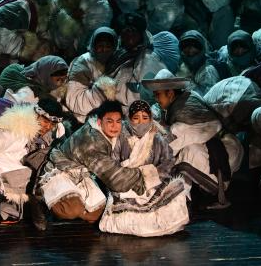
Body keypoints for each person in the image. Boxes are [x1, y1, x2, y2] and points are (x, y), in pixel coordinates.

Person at [40, 101, 153, 222]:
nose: (114, 126)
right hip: (60, 171)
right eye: (109, 121)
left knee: (96, 214)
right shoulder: (91, 142)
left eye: (118, 121)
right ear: (99, 122)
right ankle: (41, 200)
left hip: (81, 174)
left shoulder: (110, 130)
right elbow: (116, 179)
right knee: (72, 209)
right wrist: (142, 177)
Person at [144, 70, 242, 210]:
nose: (156, 99)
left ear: (170, 94)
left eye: (158, 95)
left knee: (183, 155)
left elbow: (175, 144)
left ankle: (183, 198)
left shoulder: (182, 115)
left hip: (226, 152)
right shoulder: (188, 97)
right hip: (222, 147)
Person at [0, 100, 66, 227]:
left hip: (18, 182)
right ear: (37, 114)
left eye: (52, 124)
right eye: (45, 121)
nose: (48, 127)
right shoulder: (17, 128)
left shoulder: (52, 137)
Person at [98, 100, 189, 237]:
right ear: (129, 119)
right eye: (136, 118)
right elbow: (113, 161)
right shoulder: (121, 137)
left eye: (145, 118)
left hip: (153, 183)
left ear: (150, 118)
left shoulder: (157, 137)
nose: (141, 123)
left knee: (175, 192)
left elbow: (168, 161)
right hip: (127, 182)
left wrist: (152, 176)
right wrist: (129, 175)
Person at [64, 27, 120, 123]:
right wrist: (101, 91)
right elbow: (74, 101)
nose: (104, 49)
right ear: (93, 45)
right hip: (84, 120)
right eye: (100, 45)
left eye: (108, 46)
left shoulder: (118, 61)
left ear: (114, 47)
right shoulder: (83, 62)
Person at [0, 55, 69, 104]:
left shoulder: (28, 73)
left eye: (63, 80)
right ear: (45, 75)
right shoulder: (31, 93)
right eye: (58, 80)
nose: (61, 84)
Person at [176, 30, 221, 95]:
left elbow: (207, 97)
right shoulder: (183, 66)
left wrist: (187, 81)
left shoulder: (209, 70)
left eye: (194, 45)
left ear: (202, 49)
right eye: (186, 46)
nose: (190, 50)